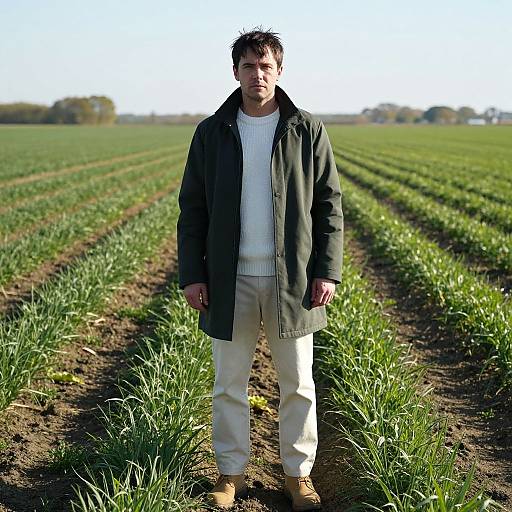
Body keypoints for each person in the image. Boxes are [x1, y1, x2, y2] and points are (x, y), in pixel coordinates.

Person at [177, 27, 343, 511]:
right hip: (230, 281)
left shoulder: (305, 129)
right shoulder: (212, 132)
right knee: (229, 383)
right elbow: (193, 209)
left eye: (266, 65)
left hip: (291, 279)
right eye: (248, 66)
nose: (258, 75)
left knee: (298, 383)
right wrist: (193, 273)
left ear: (280, 71)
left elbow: (329, 206)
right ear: (235, 72)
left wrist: (326, 270)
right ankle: (231, 475)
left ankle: (298, 477)